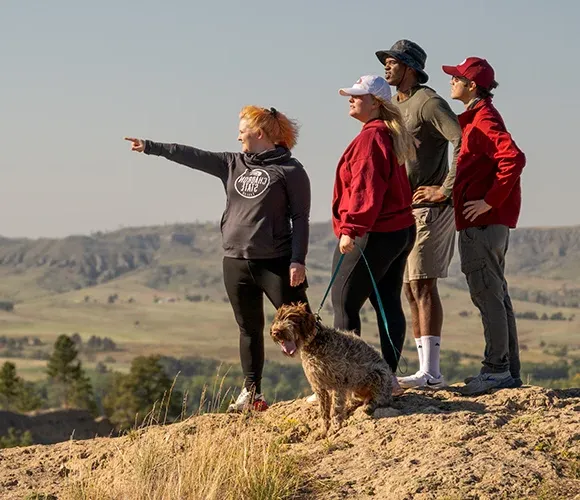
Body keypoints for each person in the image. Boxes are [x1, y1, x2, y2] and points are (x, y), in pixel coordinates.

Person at [124, 105, 311, 411]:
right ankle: (253, 393)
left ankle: (328, 381)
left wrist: (297, 260)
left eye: (242, 131)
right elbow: (192, 155)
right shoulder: (232, 163)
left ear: (259, 133)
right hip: (235, 261)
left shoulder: (291, 171)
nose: (238, 136)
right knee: (248, 329)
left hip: (275, 262)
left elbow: (301, 219)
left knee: (304, 325)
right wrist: (151, 147)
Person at [375, 40, 462, 390]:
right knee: (411, 288)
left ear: (410, 67)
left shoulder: (428, 102)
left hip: (430, 206)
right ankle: (425, 369)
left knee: (424, 284)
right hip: (405, 208)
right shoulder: (395, 105)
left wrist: (446, 188)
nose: (386, 67)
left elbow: (462, 139)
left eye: (392, 62)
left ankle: (432, 373)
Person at [442, 57, 526, 395]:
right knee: (496, 293)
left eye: (456, 77)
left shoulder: (484, 118)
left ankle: (496, 371)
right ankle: (508, 370)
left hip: (484, 222)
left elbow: (514, 158)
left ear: (472, 85)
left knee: (486, 292)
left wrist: (490, 200)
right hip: (488, 222)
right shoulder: (478, 116)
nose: (451, 82)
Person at [331, 75, 417, 395]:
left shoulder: (371, 137)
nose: (351, 100)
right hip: (399, 231)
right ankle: (387, 379)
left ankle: (346, 381)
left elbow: (366, 188)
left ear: (376, 103)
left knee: (344, 302)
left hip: (374, 232)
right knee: (387, 304)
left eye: (358, 96)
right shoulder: (386, 134)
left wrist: (351, 228)